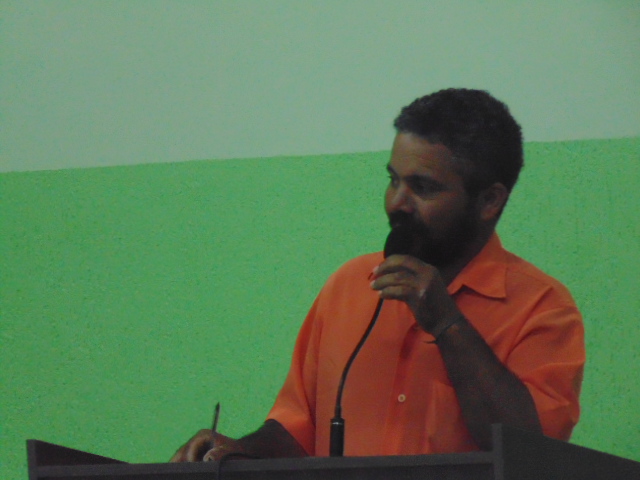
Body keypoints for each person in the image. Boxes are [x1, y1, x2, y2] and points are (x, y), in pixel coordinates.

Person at [171, 88, 585, 462]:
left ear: (490, 200)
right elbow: (297, 430)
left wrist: (447, 324)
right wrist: (237, 450)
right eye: (393, 180)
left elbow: (531, 454)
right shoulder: (350, 285)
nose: (397, 203)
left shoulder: (543, 307)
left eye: (423, 187)